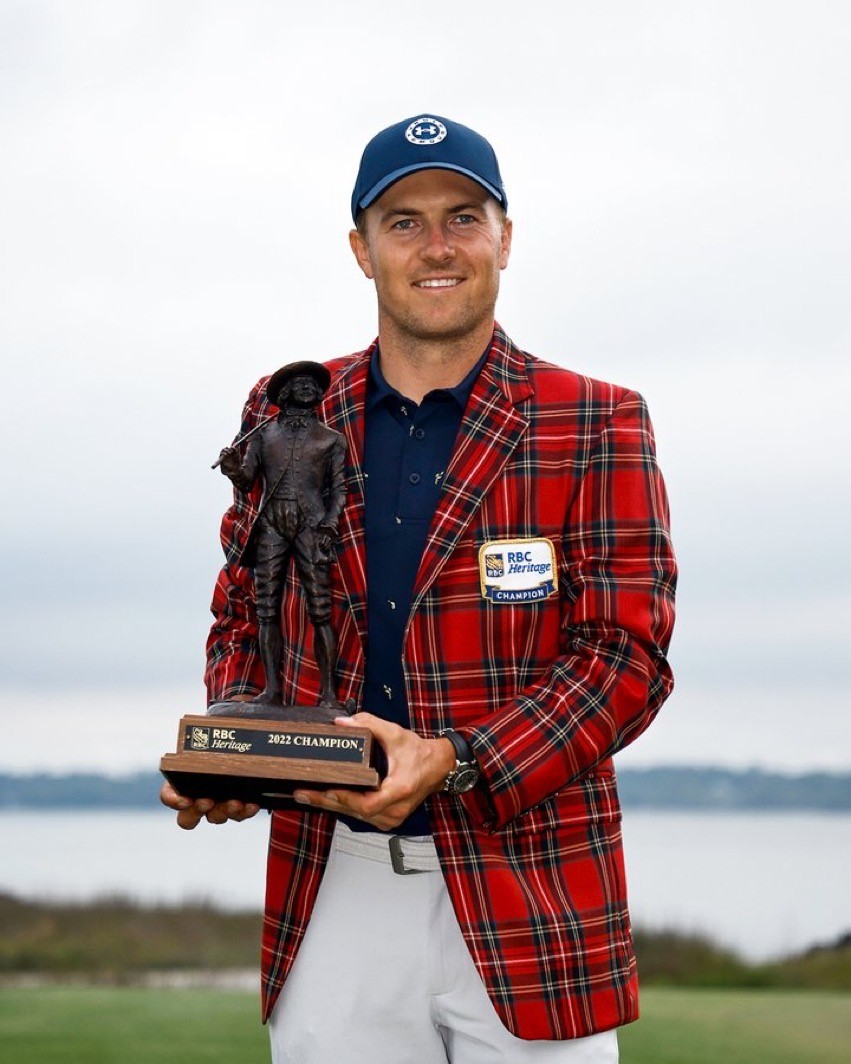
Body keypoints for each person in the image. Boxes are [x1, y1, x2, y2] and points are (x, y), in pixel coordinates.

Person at [161, 114, 677, 1063]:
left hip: (532, 883)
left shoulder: (597, 417)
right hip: (334, 882)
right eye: (402, 221)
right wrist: (234, 741)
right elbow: (242, 602)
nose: (435, 245)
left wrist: (460, 758)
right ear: (361, 249)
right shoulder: (284, 405)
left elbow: (625, 658)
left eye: (462, 217)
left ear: (504, 238)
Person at [216, 362, 347, 708]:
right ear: (285, 393)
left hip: (311, 525)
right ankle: (272, 690)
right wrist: (232, 468)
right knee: (266, 609)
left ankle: (329, 695)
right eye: (299, 384)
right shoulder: (262, 436)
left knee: (321, 610)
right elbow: (247, 482)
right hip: (272, 523)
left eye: (311, 384)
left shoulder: (332, 440)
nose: (307, 388)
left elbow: (339, 491)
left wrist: (329, 525)